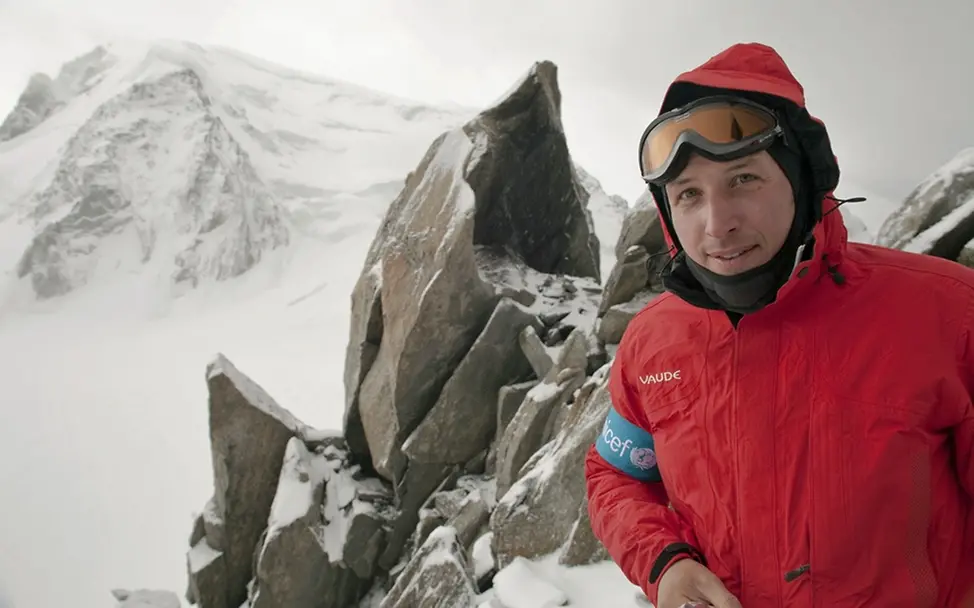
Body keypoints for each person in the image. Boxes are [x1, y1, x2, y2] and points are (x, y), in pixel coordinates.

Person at [584, 41, 974, 608]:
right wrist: (664, 564)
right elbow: (616, 476)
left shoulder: (946, 314)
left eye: (743, 179)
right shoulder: (654, 344)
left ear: (801, 176)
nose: (718, 224)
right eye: (689, 194)